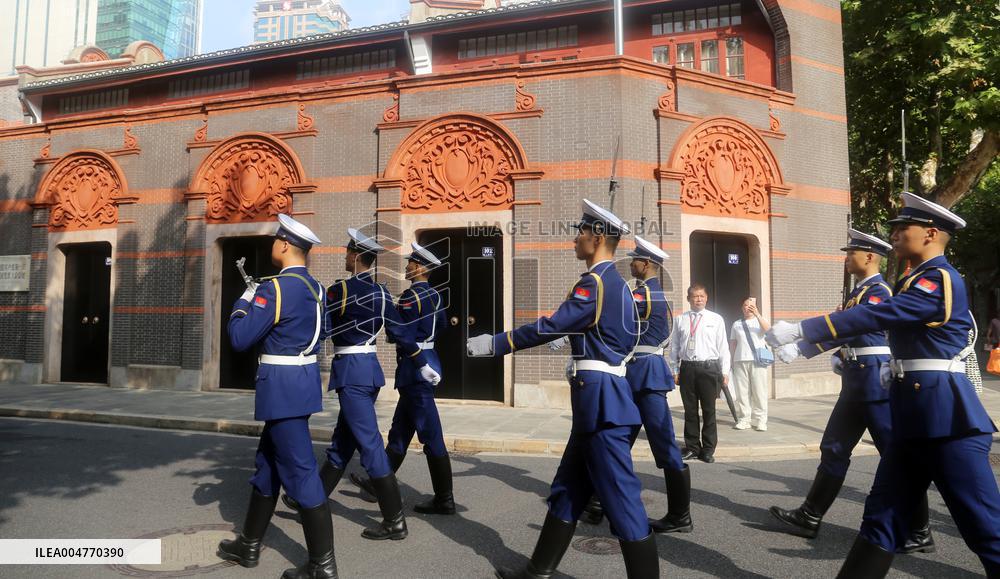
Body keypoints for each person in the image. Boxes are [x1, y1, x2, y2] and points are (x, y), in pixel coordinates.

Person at [767, 193, 1000, 577]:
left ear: (929, 233)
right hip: (912, 418)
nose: (893, 234)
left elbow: (883, 313)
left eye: (900, 228)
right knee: (881, 521)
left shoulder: (939, 278)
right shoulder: (912, 279)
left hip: (947, 421)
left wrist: (802, 328)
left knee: (985, 529)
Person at [467, 199, 658, 578]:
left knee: (622, 503)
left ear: (598, 237)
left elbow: (552, 324)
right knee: (567, 490)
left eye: (581, 232)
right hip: (598, 402)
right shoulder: (619, 285)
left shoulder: (596, 281)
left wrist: (498, 343)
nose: (576, 239)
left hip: (602, 404)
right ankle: (537, 571)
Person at [770, 229, 933, 553]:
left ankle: (920, 529)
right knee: (833, 447)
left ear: (870, 256)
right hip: (856, 382)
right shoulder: (859, 292)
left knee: (898, 456)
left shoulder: (878, 291)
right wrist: (834, 352)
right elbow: (848, 330)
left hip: (875, 385)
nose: (846, 258)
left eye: (851, 253)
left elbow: (856, 324)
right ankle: (810, 515)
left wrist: (802, 344)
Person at [280, 229, 441, 541]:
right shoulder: (382, 293)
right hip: (370, 373)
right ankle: (311, 501)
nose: (344, 256)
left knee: (370, 447)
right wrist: (423, 362)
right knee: (343, 442)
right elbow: (401, 334)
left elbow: (322, 327)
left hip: (351, 374)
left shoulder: (339, 291)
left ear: (355, 256)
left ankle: (395, 521)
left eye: (346, 253)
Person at [217, 214, 338, 579]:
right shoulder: (317, 288)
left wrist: (244, 301)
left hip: (281, 386)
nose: (273, 245)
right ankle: (249, 545)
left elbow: (239, 338)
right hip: (301, 380)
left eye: (275, 240)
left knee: (301, 472)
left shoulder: (274, 288)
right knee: (267, 465)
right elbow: (323, 333)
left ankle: (323, 565)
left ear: (285, 245)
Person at [573, 236, 692, 534]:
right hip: (637, 373)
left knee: (664, 446)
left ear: (647, 264)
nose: (633, 264)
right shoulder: (649, 293)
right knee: (617, 441)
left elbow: (612, 317)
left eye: (636, 260)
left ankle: (680, 515)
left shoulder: (644, 295)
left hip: (646, 374)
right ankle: (598, 502)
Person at [351, 242, 457, 517]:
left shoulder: (411, 296)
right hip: (429, 357)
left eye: (411, 262)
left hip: (414, 367)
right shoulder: (435, 295)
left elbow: (399, 332)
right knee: (400, 429)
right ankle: (379, 483)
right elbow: (442, 324)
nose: (407, 265)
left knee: (431, 434)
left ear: (420, 268)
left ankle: (445, 499)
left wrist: (393, 330)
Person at [669, 284, 731, 463]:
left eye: (702, 296)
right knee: (690, 410)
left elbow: (723, 347)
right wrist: (674, 369)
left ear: (707, 298)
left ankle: (708, 449)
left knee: (709, 410)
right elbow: (674, 347)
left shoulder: (716, 319)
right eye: (695, 296)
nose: (699, 299)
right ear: (689, 299)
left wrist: (725, 371)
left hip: (709, 368)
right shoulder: (681, 320)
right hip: (687, 368)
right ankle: (692, 447)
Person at [729, 297, 771, 431]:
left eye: (751, 305)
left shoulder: (759, 321)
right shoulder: (736, 324)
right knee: (742, 392)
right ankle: (744, 419)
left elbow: (768, 330)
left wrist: (758, 314)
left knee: (759, 391)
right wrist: (730, 360)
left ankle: (761, 420)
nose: (748, 307)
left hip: (757, 360)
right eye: (745, 305)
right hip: (739, 360)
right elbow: (733, 343)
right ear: (742, 308)